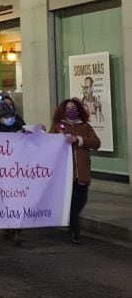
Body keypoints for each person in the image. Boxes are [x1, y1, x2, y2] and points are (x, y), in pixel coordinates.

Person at [50, 98, 101, 244]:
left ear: (78, 110)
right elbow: (47, 142)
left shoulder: (85, 127)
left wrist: (78, 140)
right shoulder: (57, 126)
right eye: (67, 108)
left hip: (82, 173)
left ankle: (71, 224)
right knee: (71, 204)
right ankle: (75, 231)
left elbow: (96, 143)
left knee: (80, 201)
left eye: (73, 108)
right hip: (66, 174)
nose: (70, 110)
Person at [0, 98, 26, 244]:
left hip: (17, 171)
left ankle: (17, 230)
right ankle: (6, 226)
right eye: (5, 117)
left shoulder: (18, 126)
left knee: (17, 201)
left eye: (11, 116)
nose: (9, 119)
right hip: (1, 173)